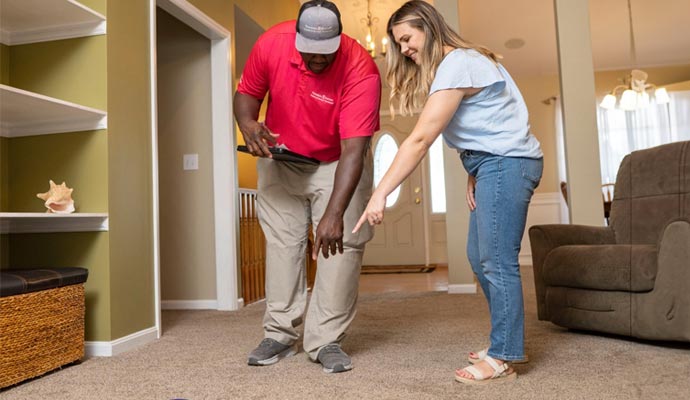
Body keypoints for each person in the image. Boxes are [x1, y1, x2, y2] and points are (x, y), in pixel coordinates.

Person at [353, 0, 542, 385]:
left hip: (506, 163)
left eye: (407, 38)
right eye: (399, 43)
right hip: (493, 163)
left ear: (427, 26)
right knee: (479, 257)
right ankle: (503, 340)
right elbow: (489, 121)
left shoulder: (459, 62)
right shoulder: (458, 64)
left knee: (496, 260)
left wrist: (380, 194)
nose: (404, 49)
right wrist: (474, 169)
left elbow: (421, 138)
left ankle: (504, 354)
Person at [234, 0, 381, 374]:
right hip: (282, 157)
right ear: (296, 37)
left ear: (340, 38)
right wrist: (248, 125)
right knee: (284, 244)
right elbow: (246, 96)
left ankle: (326, 340)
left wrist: (333, 216)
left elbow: (353, 151)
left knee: (340, 244)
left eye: (326, 53)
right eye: (309, 51)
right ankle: (280, 334)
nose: (317, 60)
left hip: (337, 162)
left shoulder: (361, 68)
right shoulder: (271, 44)